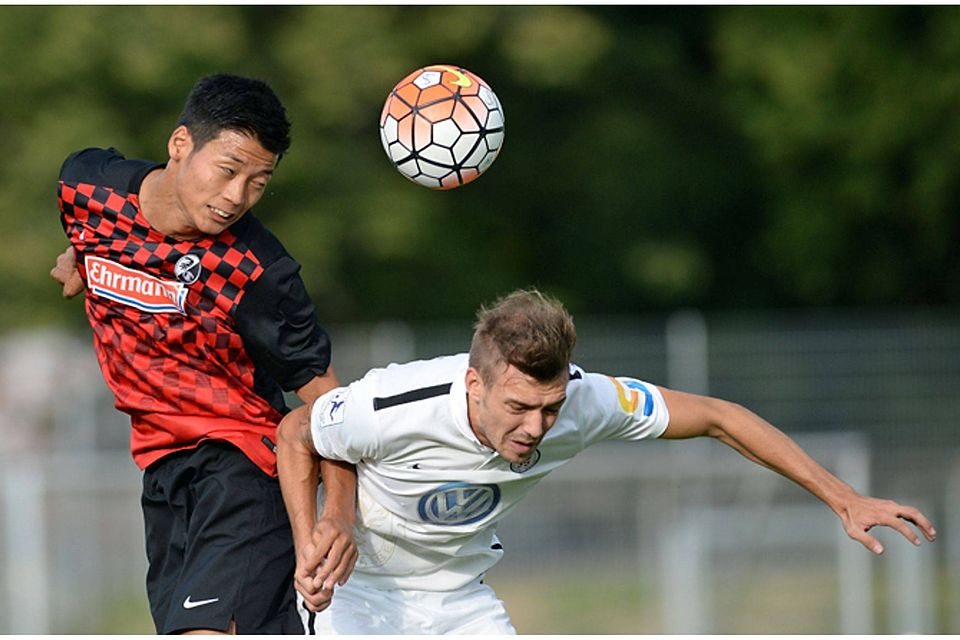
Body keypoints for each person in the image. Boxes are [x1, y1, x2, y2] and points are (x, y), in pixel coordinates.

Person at [277, 288, 937, 635]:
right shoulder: (395, 402)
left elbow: (717, 417)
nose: (536, 428)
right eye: (518, 407)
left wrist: (843, 497)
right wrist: (314, 540)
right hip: (356, 600)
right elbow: (297, 432)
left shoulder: (589, 401)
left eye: (551, 407)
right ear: (475, 386)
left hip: (458, 602)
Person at [51, 73, 356, 634]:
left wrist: (337, 515)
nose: (236, 197)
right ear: (180, 144)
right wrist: (81, 258)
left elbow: (330, 402)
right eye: (228, 170)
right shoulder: (84, 186)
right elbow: (96, 230)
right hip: (162, 473)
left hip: (246, 467)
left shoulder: (261, 272)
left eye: (259, 182)